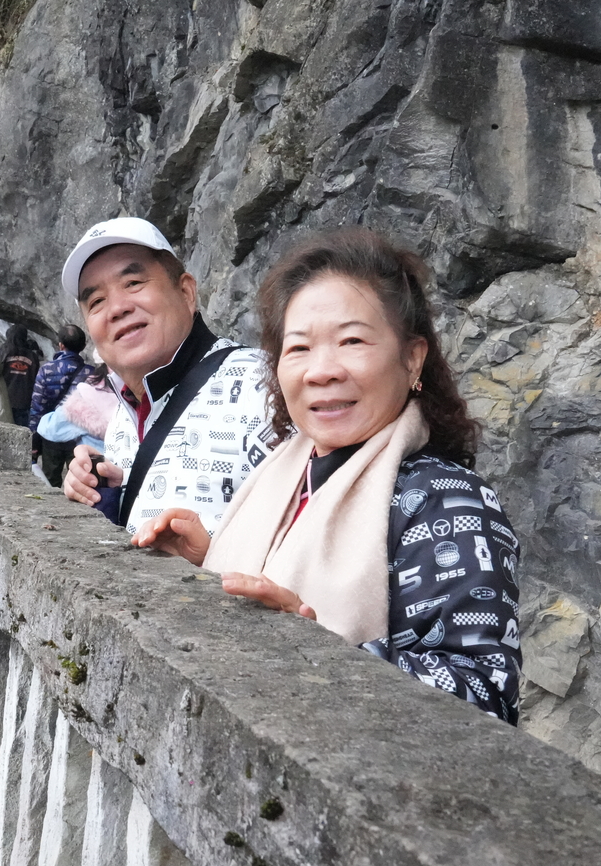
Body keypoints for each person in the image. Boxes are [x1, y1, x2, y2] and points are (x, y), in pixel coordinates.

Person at [132, 229, 522, 724]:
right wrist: (209, 560)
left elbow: (486, 700)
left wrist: (311, 652)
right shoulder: (283, 473)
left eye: (352, 341)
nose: (321, 371)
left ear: (412, 358)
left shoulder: (447, 502)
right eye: (299, 348)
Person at [57, 217, 273, 532]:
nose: (116, 308)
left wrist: (208, 552)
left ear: (186, 292)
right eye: (97, 301)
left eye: (133, 283)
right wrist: (102, 494)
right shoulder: (123, 417)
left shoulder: (267, 385)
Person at [34, 364, 121, 487]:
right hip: (130, 473)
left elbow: (50, 429)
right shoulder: (133, 398)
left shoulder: (86, 398)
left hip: (95, 471)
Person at [27, 325, 92, 482]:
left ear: (60, 345)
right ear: (83, 346)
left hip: (52, 432)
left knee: (50, 481)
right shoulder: (90, 373)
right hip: (78, 434)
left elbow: (37, 406)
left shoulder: (46, 370)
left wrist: (34, 436)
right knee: (79, 481)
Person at [0, 324, 42, 428]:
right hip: (24, 400)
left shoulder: (4, 352)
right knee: (22, 430)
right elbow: (35, 377)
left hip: (6, 399)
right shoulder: (32, 356)